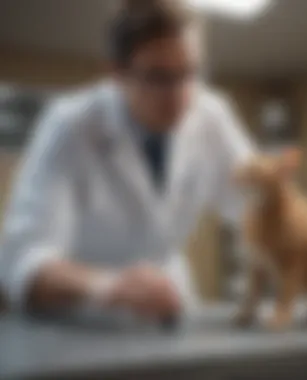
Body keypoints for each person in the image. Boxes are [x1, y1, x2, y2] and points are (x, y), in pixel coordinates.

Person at [0, 0, 255, 320]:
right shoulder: (69, 126)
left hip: (169, 297)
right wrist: (106, 287)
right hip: (84, 316)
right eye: (158, 77)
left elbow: (259, 204)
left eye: (190, 72)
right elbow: (21, 261)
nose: (180, 96)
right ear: (117, 73)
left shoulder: (212, 115)